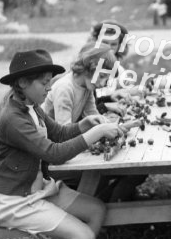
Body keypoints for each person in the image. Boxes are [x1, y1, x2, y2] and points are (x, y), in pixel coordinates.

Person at [0, 49, 124, 239]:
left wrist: (84, 125)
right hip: (14, 201)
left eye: (50, 81)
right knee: (83, 236)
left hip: (38, 189)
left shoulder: (32, 106)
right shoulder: (14, 119)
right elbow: (54, 154)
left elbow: (58, 133)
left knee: (96, 210)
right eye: (44, 83)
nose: (49, 88)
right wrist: (97, 133)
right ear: (23, 82)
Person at [43, 42, 147, 202]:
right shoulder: (65, 89)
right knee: (101, 173)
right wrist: (95, 136)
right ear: (89, 68)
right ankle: (89, 205)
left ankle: (104, 202)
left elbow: (95, 116)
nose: (105, 83)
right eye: (103, 76)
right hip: (48, 155)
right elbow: (63, 133)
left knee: (114, 167)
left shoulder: (86, 88)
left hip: (62, 146)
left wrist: (118, 127)